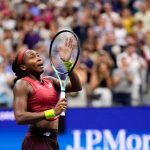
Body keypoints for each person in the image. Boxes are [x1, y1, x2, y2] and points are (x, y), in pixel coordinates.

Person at [12, 38, 82, 150]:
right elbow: (19, 117)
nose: (38, 58)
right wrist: (52, 112)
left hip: (53, 141)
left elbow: (76, 87)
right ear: (23, 67)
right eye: (32, 57)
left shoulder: (49, 80)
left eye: (38, 55)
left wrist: (67, 63)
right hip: (36, 141)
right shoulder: (22, 84)